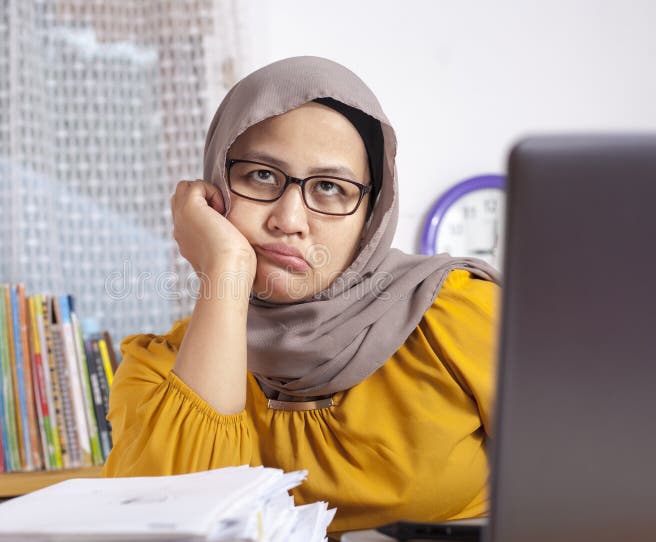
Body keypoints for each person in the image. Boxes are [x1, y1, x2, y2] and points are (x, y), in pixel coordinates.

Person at [103, 56, 501, 534]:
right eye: (262, 176)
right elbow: (182, 526)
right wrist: (225, 269)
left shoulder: (458, 318)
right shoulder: (160, 374)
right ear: (215, 186)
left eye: (330, 187)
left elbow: (586, 491)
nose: (288, 220)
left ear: (370, 216)